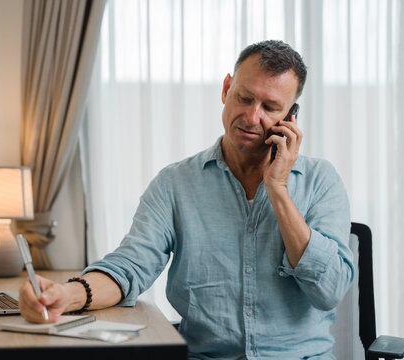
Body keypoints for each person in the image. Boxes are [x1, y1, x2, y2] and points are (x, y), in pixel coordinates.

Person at [19, 40, 354, 359]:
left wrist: (278, 190)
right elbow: (130, 267)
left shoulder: (320, 181)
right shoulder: (175, 184)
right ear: (226, 89)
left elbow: (328, 291)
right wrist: (66, 295)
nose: (252, 118)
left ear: (290, 118)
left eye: (270, 108)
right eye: (244, 98)